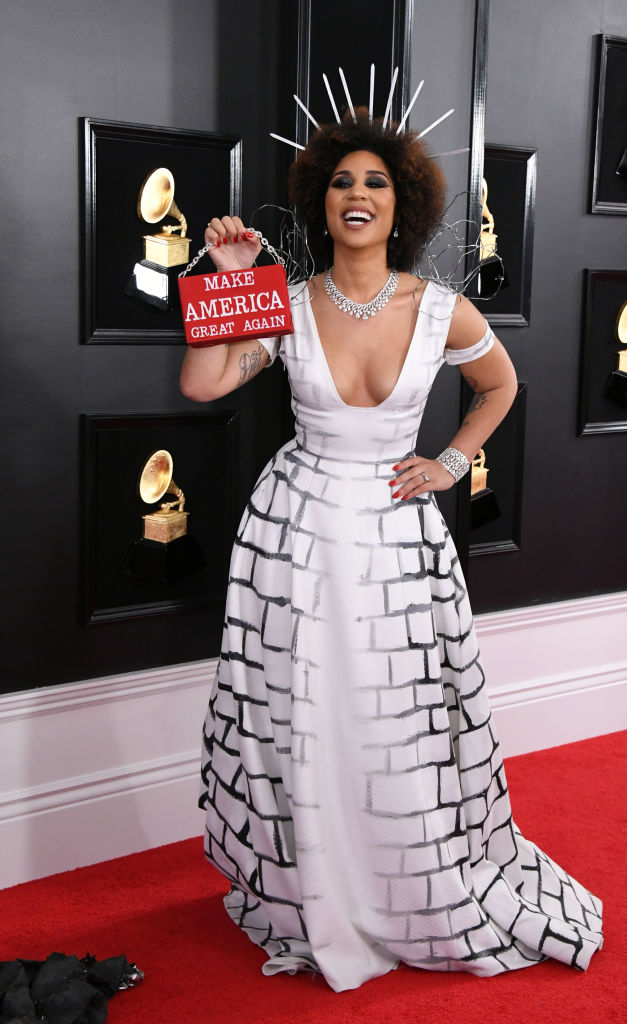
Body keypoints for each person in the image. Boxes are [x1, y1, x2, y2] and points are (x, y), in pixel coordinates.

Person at [180, 110, 603, 992]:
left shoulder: (441, 308)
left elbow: (501, 384)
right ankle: (314, 889)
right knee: (301, 713)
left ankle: (403, 882)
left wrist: (450, 463)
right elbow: (203, 380)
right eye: (341, 182)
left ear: (401, 202)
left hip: (395, 536)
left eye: (375, 182)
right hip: (293, 536)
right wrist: (231, 278)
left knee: (396, 717)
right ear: (319, 202)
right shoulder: (284, 302)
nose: (357, 195)